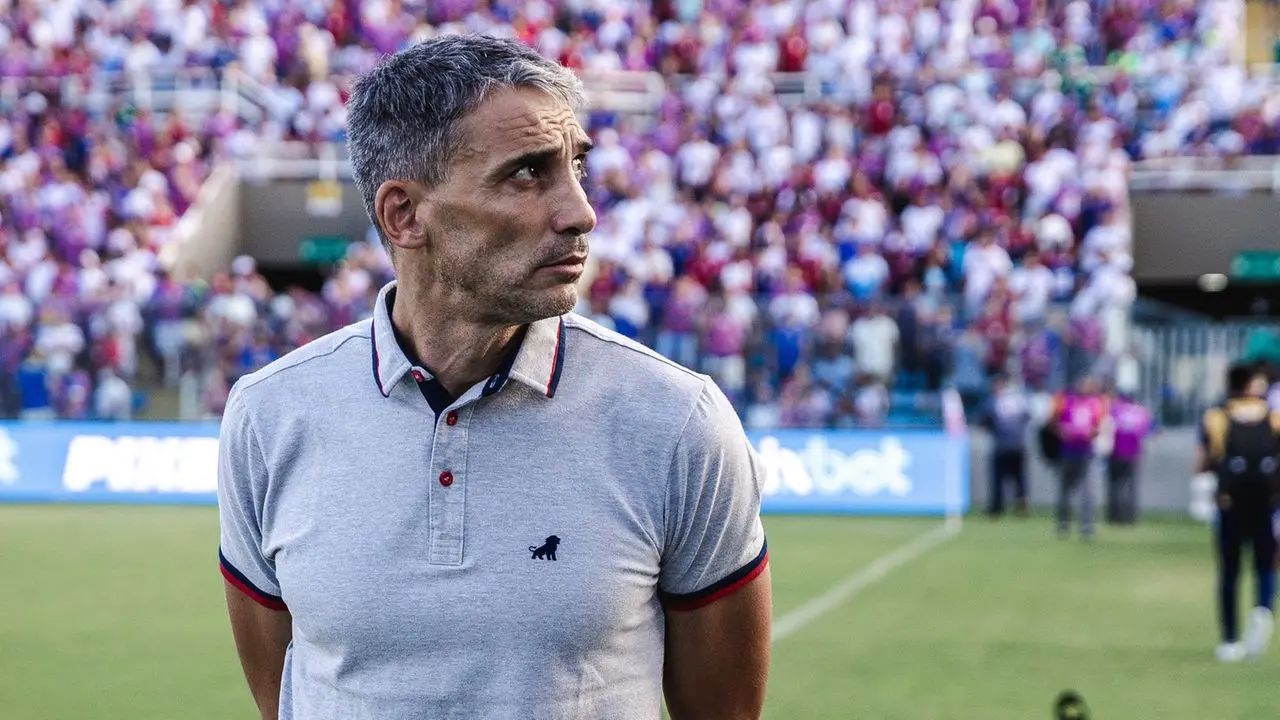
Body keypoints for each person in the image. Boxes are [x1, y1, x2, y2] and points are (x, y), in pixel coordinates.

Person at [216, 36, 771, 720]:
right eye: (528, 174)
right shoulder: (269, 416)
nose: (581, 212)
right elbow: (285, 694)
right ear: (404, 215)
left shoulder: (678, 422)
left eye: (576, 166)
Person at [1197, 364, 1280, 662]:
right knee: (1266, 565)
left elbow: (1204, 459)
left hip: (1230, 502)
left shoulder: (1216, 416)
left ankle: (1230, 639)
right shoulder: (1273, 417)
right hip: (1266, 502)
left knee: (1230, 570)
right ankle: (1263, 609)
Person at [1051, 376, 1108, 539]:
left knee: (1088, 492)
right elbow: (1053, 422)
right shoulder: (1065, 401)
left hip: (1085, 452)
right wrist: (1062, 431)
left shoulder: (1095, 404)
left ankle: (1087, 525)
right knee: (1065, 490)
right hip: (1068, 452)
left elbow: (1099, 426)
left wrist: (1091, 433)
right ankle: (1063, 523)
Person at [981, 375, 1030, 518]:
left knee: (998, 477)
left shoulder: (995, 400)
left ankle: (997, 506)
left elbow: (985, 418)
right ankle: (1021, 503)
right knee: (1019, 477)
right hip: (1018, 444)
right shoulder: (1019, 399)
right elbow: (1027, 416)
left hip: (1002, 445)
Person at [1106, 389, 1152, 525]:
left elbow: (1107, 429)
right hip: (1133, 454)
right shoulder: (1141, 412)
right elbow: (1144, 433)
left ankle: (1114, 516)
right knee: (1131, 487)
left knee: (1115, 486)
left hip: (1116, 453)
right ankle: (1130, 516)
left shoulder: (1114, 409)